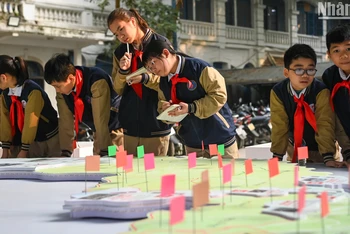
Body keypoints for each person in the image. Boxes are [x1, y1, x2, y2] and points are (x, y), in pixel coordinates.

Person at [141, 39, 239, 158]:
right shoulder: (163, 82)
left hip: (220, 139)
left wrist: (191, 107)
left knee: (226, 175)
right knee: (197, 176)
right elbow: (162, 104)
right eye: (149, 68)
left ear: (165, 53)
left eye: (153, 63)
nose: (153, 70)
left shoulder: (200, 68)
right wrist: (166, 111)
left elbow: (219, 96)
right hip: (192, 143)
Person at [107, 8, 171, 156]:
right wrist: (123, 71)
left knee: (152, 175)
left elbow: (169, 79)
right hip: (130, 128)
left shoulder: (160, 44)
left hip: (155, 125)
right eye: (116, 34)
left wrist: (146, 78)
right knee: (132, 175)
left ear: (133, 21)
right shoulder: (119, 53)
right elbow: (118, 89)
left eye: (121, 29)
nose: (120, 36)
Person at [270, 44, 344, 167]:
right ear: (286, 72)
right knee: (297, 182)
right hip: (295, 150)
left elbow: (324, 123)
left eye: (310, 69)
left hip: (322, 151)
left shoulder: (321, 91)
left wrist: (328, 157)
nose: (305, 75)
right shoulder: (278, 92)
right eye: (298, 70)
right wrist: (277, 156)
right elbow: (279, 125)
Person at [44, 54, 122, 157]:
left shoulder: (96, 80)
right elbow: (65, 120)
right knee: (97, 168)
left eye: (58, 86)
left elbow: (101, 119)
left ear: (71, 78)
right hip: (98, 133)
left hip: (116, 130)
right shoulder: (64, 90)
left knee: (115, 165)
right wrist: (65, 151)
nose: (57, 90)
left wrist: (105, 150)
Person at [0, 55, 60, 158]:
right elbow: (4, 121)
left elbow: (31, 122)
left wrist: (24, 149)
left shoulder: (32, 91)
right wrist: (5, 149)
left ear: (3, 77)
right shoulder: (4, 94)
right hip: (25, 139)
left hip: (47, 139)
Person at [322, 23, 350, 165]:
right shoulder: (330, 76)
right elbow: (333, 116)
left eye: (349, 48)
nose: (344, 55)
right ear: (329, 54)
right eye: (337, 50)